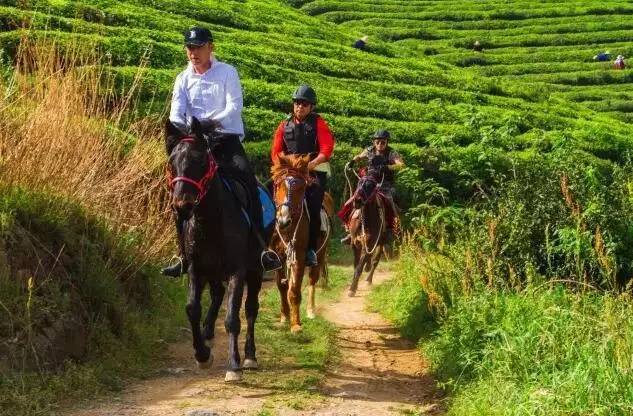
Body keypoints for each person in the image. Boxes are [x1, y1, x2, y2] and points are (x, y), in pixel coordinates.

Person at [163, 27, 281, 277]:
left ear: (211, 47)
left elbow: (233, 107)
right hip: (195, 142)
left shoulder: (228, 73)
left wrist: (209, 122)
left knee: (248, 181)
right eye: (189, 47)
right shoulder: (182, 78)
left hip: (224, 141)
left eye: (198, 47)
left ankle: (261, 248)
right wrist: (188, 129)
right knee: (178, 187)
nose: (193, 52)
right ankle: (182, 255)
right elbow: (176, 112)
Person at [271, 85, 335, 267]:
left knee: (314, 205)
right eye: (297, 103)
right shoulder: (284, 125)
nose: (300, 107)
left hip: (313, 170)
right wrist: (281, 168)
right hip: (289, 172)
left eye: (305, 104)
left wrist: (312, 163)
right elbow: (275, 151)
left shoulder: (318, 123)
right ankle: (270, 246)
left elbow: (327, 148)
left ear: (311, 107)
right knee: (270, 200)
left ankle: (310, 249)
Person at [341, 129, 404, 244]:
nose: (380, 144)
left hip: (385, 183)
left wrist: (388, 167)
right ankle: (350, 230)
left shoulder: (391, 153)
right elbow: (359, 156)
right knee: (354, 199)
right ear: (374, 142)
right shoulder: (369, 150)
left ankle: (392, 229)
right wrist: (352, 161)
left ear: (387, 142)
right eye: (377, 142)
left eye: (383, 142)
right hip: (369, 181)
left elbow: (400, 165)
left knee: (390, 201)